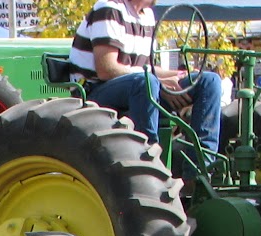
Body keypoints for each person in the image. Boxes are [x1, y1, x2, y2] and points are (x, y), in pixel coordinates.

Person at [68, 0, 220, 173]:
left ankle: (200, 172)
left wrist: (177, 76)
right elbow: (106, 69)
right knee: (145, 82)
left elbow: (147, 68)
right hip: (95, 92)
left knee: (208, 81)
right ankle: (149, 165)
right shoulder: (109, 8)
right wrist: (157, 82)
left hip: (137, 85)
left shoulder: (147, 16)